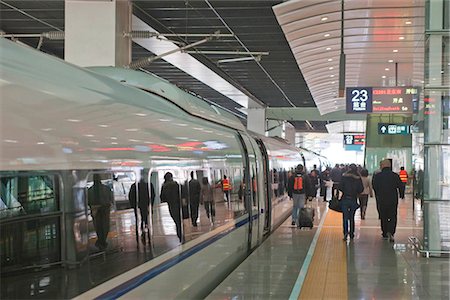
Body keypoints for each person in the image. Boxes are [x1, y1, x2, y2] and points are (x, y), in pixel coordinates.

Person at [373, 159, 402, 242]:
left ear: (382, 166)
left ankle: (385, 232)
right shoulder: (395, 175)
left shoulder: (378, 176)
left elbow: (375, 186)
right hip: (393, 199)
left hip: (382, 199)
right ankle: (391, 232)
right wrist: (401, 195)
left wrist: (377, 194)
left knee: (383, 216)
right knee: (393, 216)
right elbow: (400, 186)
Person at [87, 174, 113, 251]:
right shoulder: (107, 188)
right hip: (105, 210)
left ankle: (101, 241)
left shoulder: (90, 190)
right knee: (105, 226)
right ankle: (102, 241)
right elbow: (110, 199)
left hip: (95, 210)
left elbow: (88, 201)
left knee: (98, 227)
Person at [339, 164, 363, 240]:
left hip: (345, 198)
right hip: (353, 199)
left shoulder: (344, 176)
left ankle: (345, 233)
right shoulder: (358, 178)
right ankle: (352, 233)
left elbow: (340, 187)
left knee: (345, 217)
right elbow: (361, 189)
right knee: (352, 217)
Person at [160, 172, 182, 242]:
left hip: (171, 205)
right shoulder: (175, 184)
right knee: (179, 220)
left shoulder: (164, 186)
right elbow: (180, 193)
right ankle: (180, 233)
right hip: (178, 204)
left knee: (176, 220)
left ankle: (179, 234)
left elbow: (162, 197)